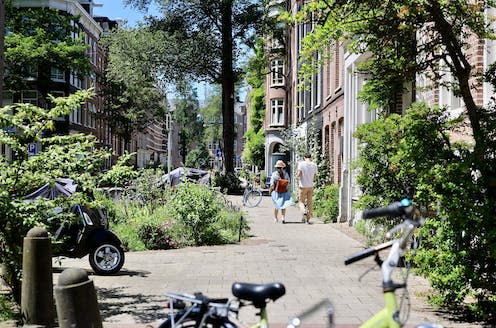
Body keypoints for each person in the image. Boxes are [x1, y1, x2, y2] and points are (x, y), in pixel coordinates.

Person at [296, 153, 318, 224]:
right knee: (309, 203)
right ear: (310, 157)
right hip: (310, 186)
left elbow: (299, 174)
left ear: (304, 157)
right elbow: (315, 177)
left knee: (301, 201)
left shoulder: (301, 164)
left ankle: (304, 211)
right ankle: (307, 219)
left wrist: (297, 178)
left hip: (303, 186)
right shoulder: (314, 165)